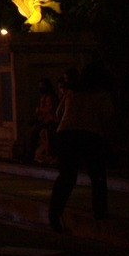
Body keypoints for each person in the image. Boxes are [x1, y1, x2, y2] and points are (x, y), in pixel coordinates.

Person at [48, 64, 117, 230]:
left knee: (66, 177)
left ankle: (54, 214)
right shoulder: (102, 95)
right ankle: (99, 211)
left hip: (66, 135)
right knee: (97, 175)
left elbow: (58, 113)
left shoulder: (71, 92)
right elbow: (108, 120)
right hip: (90, 136)